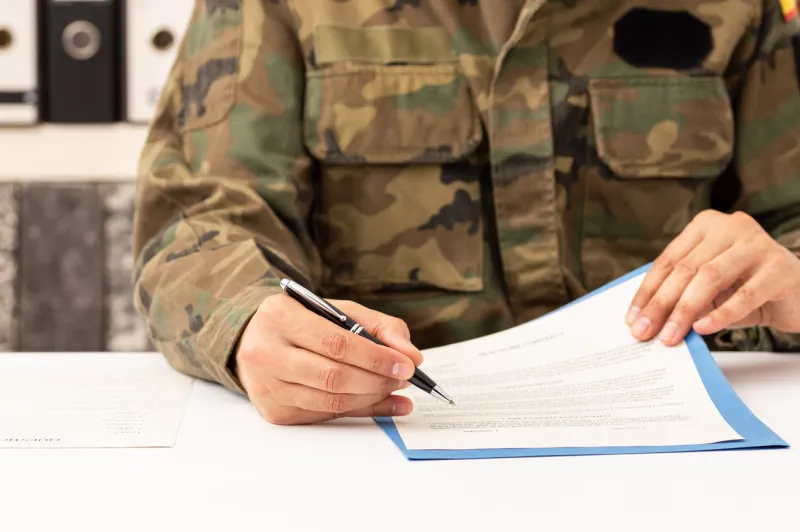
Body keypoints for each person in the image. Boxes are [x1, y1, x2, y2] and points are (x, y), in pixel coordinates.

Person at [132, 0, 800, 426]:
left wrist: (791, 279)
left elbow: (788, 223)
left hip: (682, 454)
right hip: (378, 445)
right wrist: (247, 321)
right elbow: (198, 218)